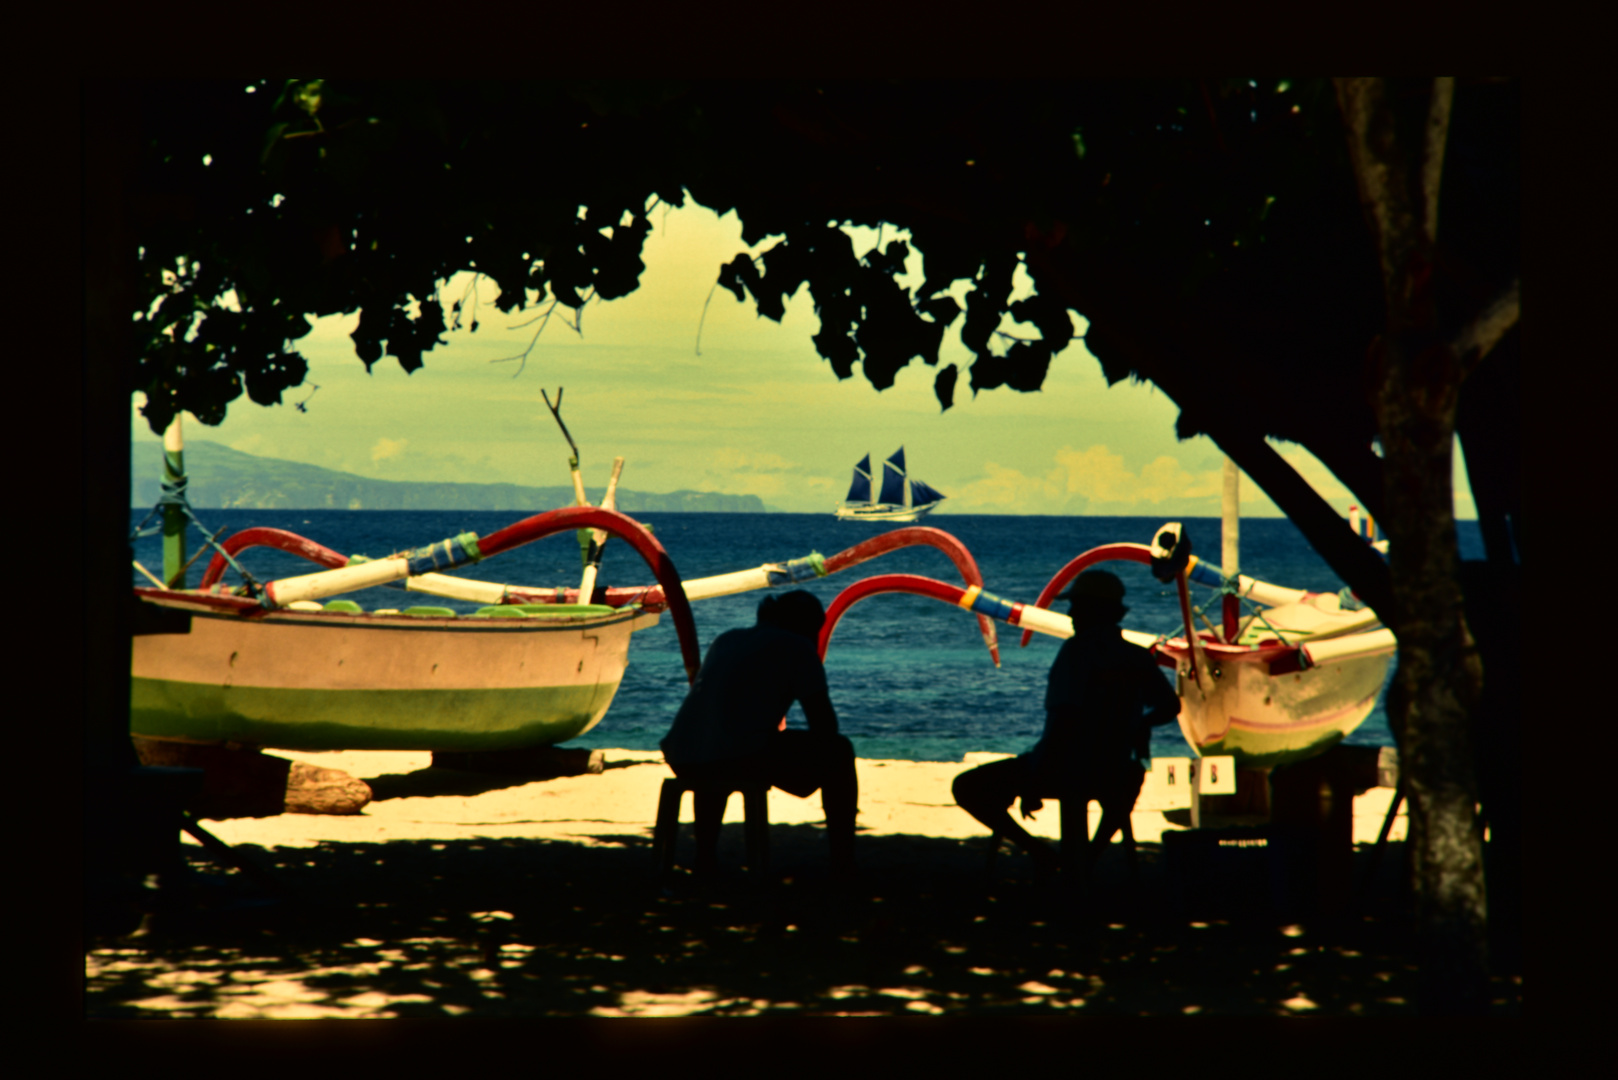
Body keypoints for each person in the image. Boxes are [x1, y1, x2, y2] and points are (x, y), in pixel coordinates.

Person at [953, 570, 1180, 878]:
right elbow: (1170, 705)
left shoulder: (1076, 652)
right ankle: (1089, 856)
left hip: (1066, 768)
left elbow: (1062, 723)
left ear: (1092, 610)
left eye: (1077, 606)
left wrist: (1035, 777)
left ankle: (1041, 853)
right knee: (1130, 781)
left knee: (966, 787)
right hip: (1114, 770)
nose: (1070, 614)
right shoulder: (1136, 657)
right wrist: (1142, 724)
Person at [660, 589, 858, 877]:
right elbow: (825, 725)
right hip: (733, 758)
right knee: (840, 751)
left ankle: (705, 856)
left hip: (681, 753)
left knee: (720, 745)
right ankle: (843, 861)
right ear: (809, 627)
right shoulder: (797, 647)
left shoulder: (727, 639)